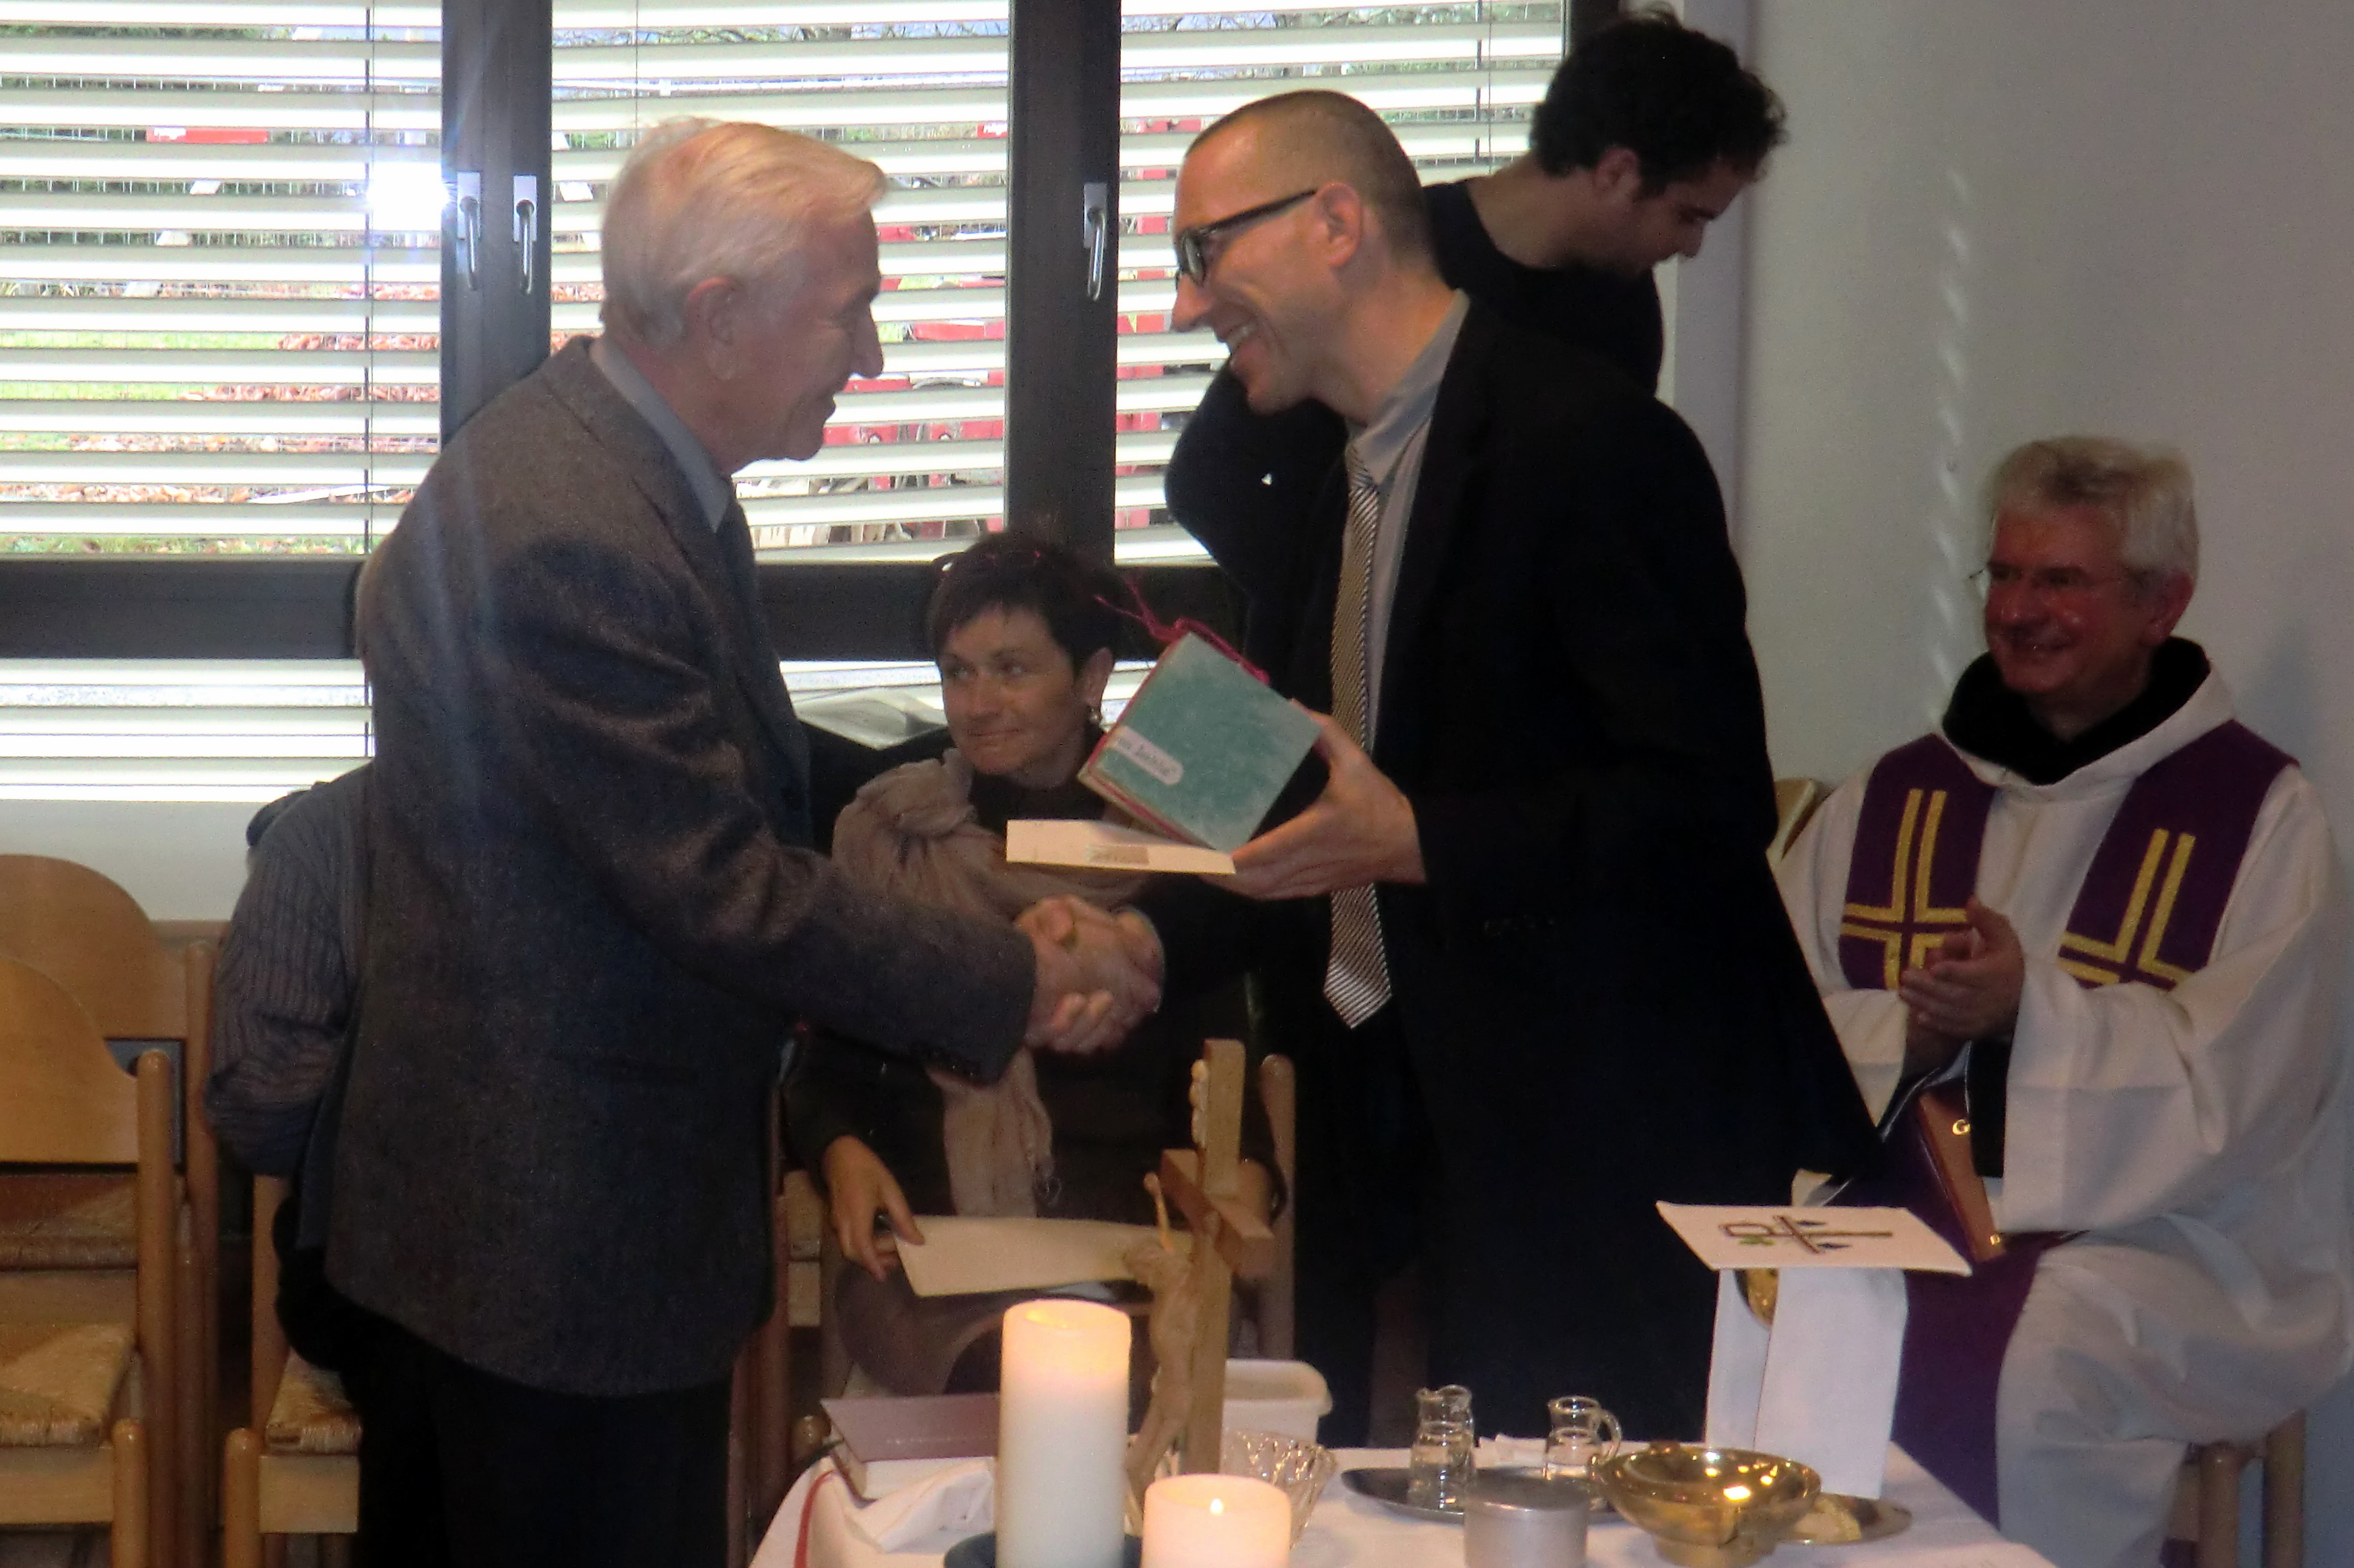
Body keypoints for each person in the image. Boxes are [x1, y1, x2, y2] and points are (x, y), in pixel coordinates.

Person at [335, 120, 1159, 1568]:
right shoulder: (570, 528)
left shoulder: (608, 471)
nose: (873, 356)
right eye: (850, 312)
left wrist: (980, 920)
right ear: (718, 318)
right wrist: (1012, 977)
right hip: (554, 1250)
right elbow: (719, 883)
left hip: (557, 1223)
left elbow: (725, 789)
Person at [1132, 90, 1873, 1444]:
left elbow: (1702, 805)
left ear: (1335, 223)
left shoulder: (1592, 445)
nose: (1188, 305)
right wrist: (1132, 939)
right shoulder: (1330, 475)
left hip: (1594, 1136)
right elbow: (1307, 795)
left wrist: (1421, 839)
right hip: (1397, 1116)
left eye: (1204, 251)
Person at [1778, 439, 2353, 1568]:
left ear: (2161, 604)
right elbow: (1771, 1021)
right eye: (2004, 575)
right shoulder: (1889, 796)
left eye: (2060, 581)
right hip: (1902, 1198)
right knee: (1776, 1290)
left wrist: (2024, 1018)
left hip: (2171, 1239)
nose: (2018, 611)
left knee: (2036, 1351)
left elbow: (2236, 1091)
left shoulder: (2259, 817)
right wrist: (1915, 1034)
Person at [786, 535, 1276, 1394]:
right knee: (1010, 1371)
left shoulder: (1172, 853)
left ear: (1091, 678)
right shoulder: (893, 836)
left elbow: (1224, 1080)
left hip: (1133, 1238)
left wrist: (1234, 1205)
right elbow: (827, 1058)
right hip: (930, 1243)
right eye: (957, 672)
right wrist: (839, 1149)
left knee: (1100, 1377)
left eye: (1011, 670)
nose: (977, 704)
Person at [1164, 8, 1783, 577]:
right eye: (1687, 216)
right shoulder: (1388, 256)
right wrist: (1343, 613)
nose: (1691, 246)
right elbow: (1208, 481)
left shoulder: (1624, 312)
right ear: (1617, 173)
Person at [204, 763, 374, 1371]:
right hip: (389, 1278)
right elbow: (258, 1104)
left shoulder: (330, 830)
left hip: (609, 1269)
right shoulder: (329, 832)